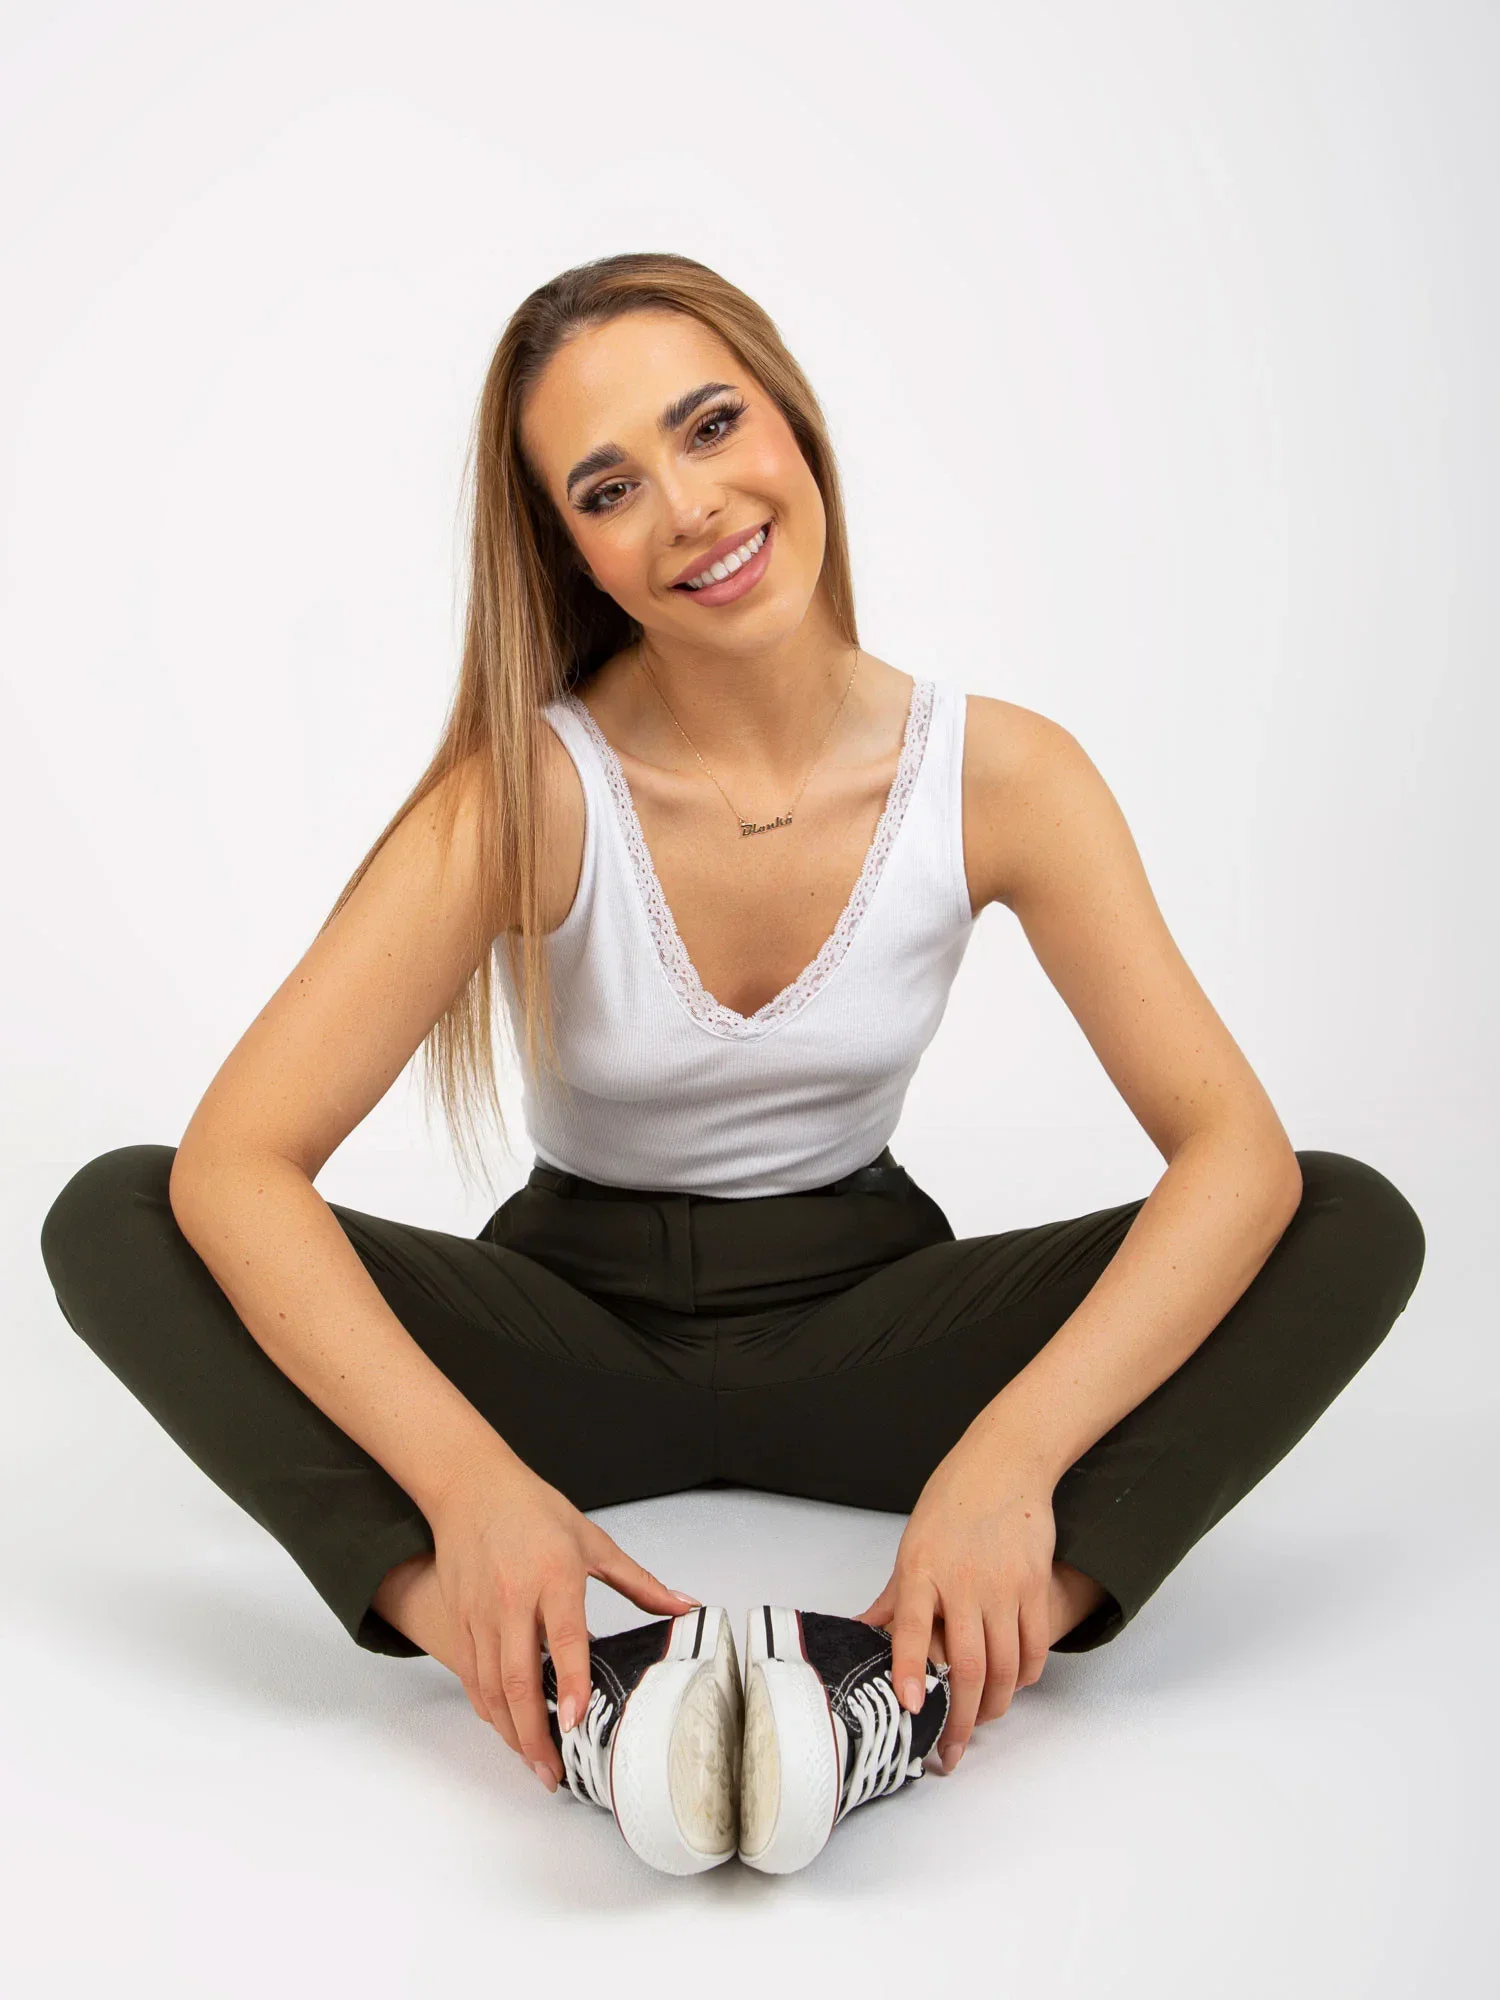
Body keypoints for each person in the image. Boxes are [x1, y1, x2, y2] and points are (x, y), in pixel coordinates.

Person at [39, 252, 1426, 1876]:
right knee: (119, 1211)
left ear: (793, 422)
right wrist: (471, 1493)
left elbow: (1234, 1155)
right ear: (569, 549)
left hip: (872, 1331)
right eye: (609, 487)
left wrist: (1010, 1459)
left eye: (710, 426)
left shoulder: (1003, 775)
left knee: (1346, 1215)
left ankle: (905, 1685)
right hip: (567, 1341)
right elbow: (237, 1165)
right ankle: (543, 1672)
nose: (689, 507)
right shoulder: (527, 795)